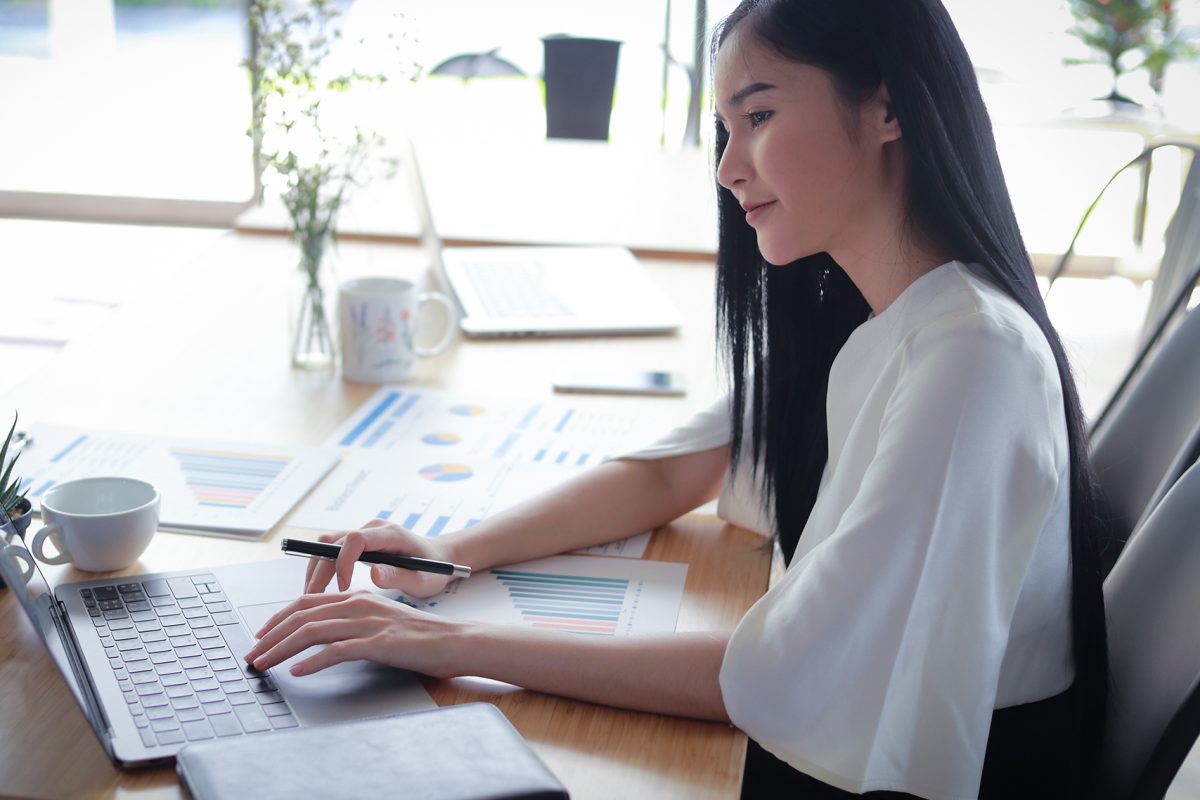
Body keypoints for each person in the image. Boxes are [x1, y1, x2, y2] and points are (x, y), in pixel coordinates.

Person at [245, 2, 1108, 797]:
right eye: (724, 130)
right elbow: (674, 474)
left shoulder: (972, 358)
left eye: (760, 117)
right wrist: (446, 556)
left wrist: (447, 647)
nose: (730, 168)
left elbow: (779, 678)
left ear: (887, 109)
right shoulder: (881, 317)